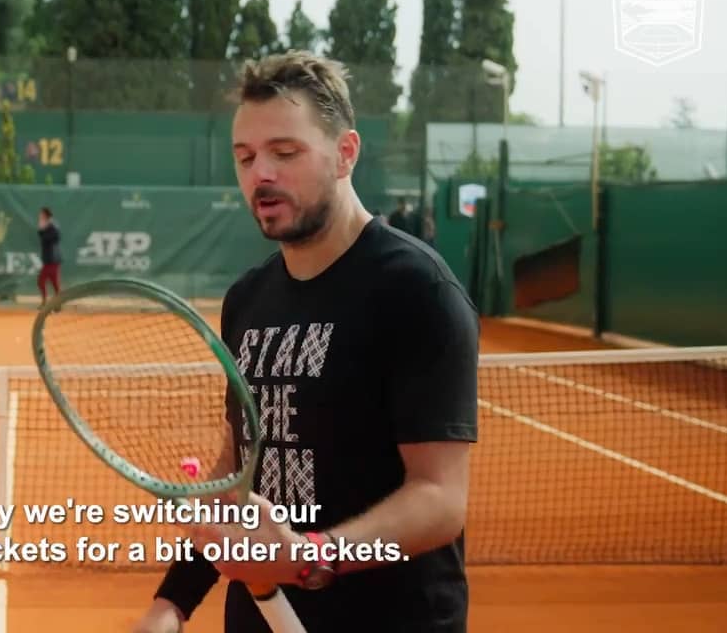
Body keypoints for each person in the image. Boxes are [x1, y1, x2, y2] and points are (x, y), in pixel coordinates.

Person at [133, 51, 478, 632]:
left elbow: (439, 500)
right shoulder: (247, 300)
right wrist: (172, 603)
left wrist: (312, 555)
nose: (260, 173)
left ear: (345, 153)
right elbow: (237, 470)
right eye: (245, 158)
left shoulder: (417, 291)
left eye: (284, 153)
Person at [37, 206, 62, 303]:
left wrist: (43, 228)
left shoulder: (52, 226)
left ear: (46, 215)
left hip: (52, 260)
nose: (40, 216)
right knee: (54, 284)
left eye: (42, 215)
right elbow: (42, 236)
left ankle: (45, 302)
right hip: (49, 260)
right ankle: (57, 303)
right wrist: (42, 228)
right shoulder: (48, 226)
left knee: (41, 282)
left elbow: (50, 238)